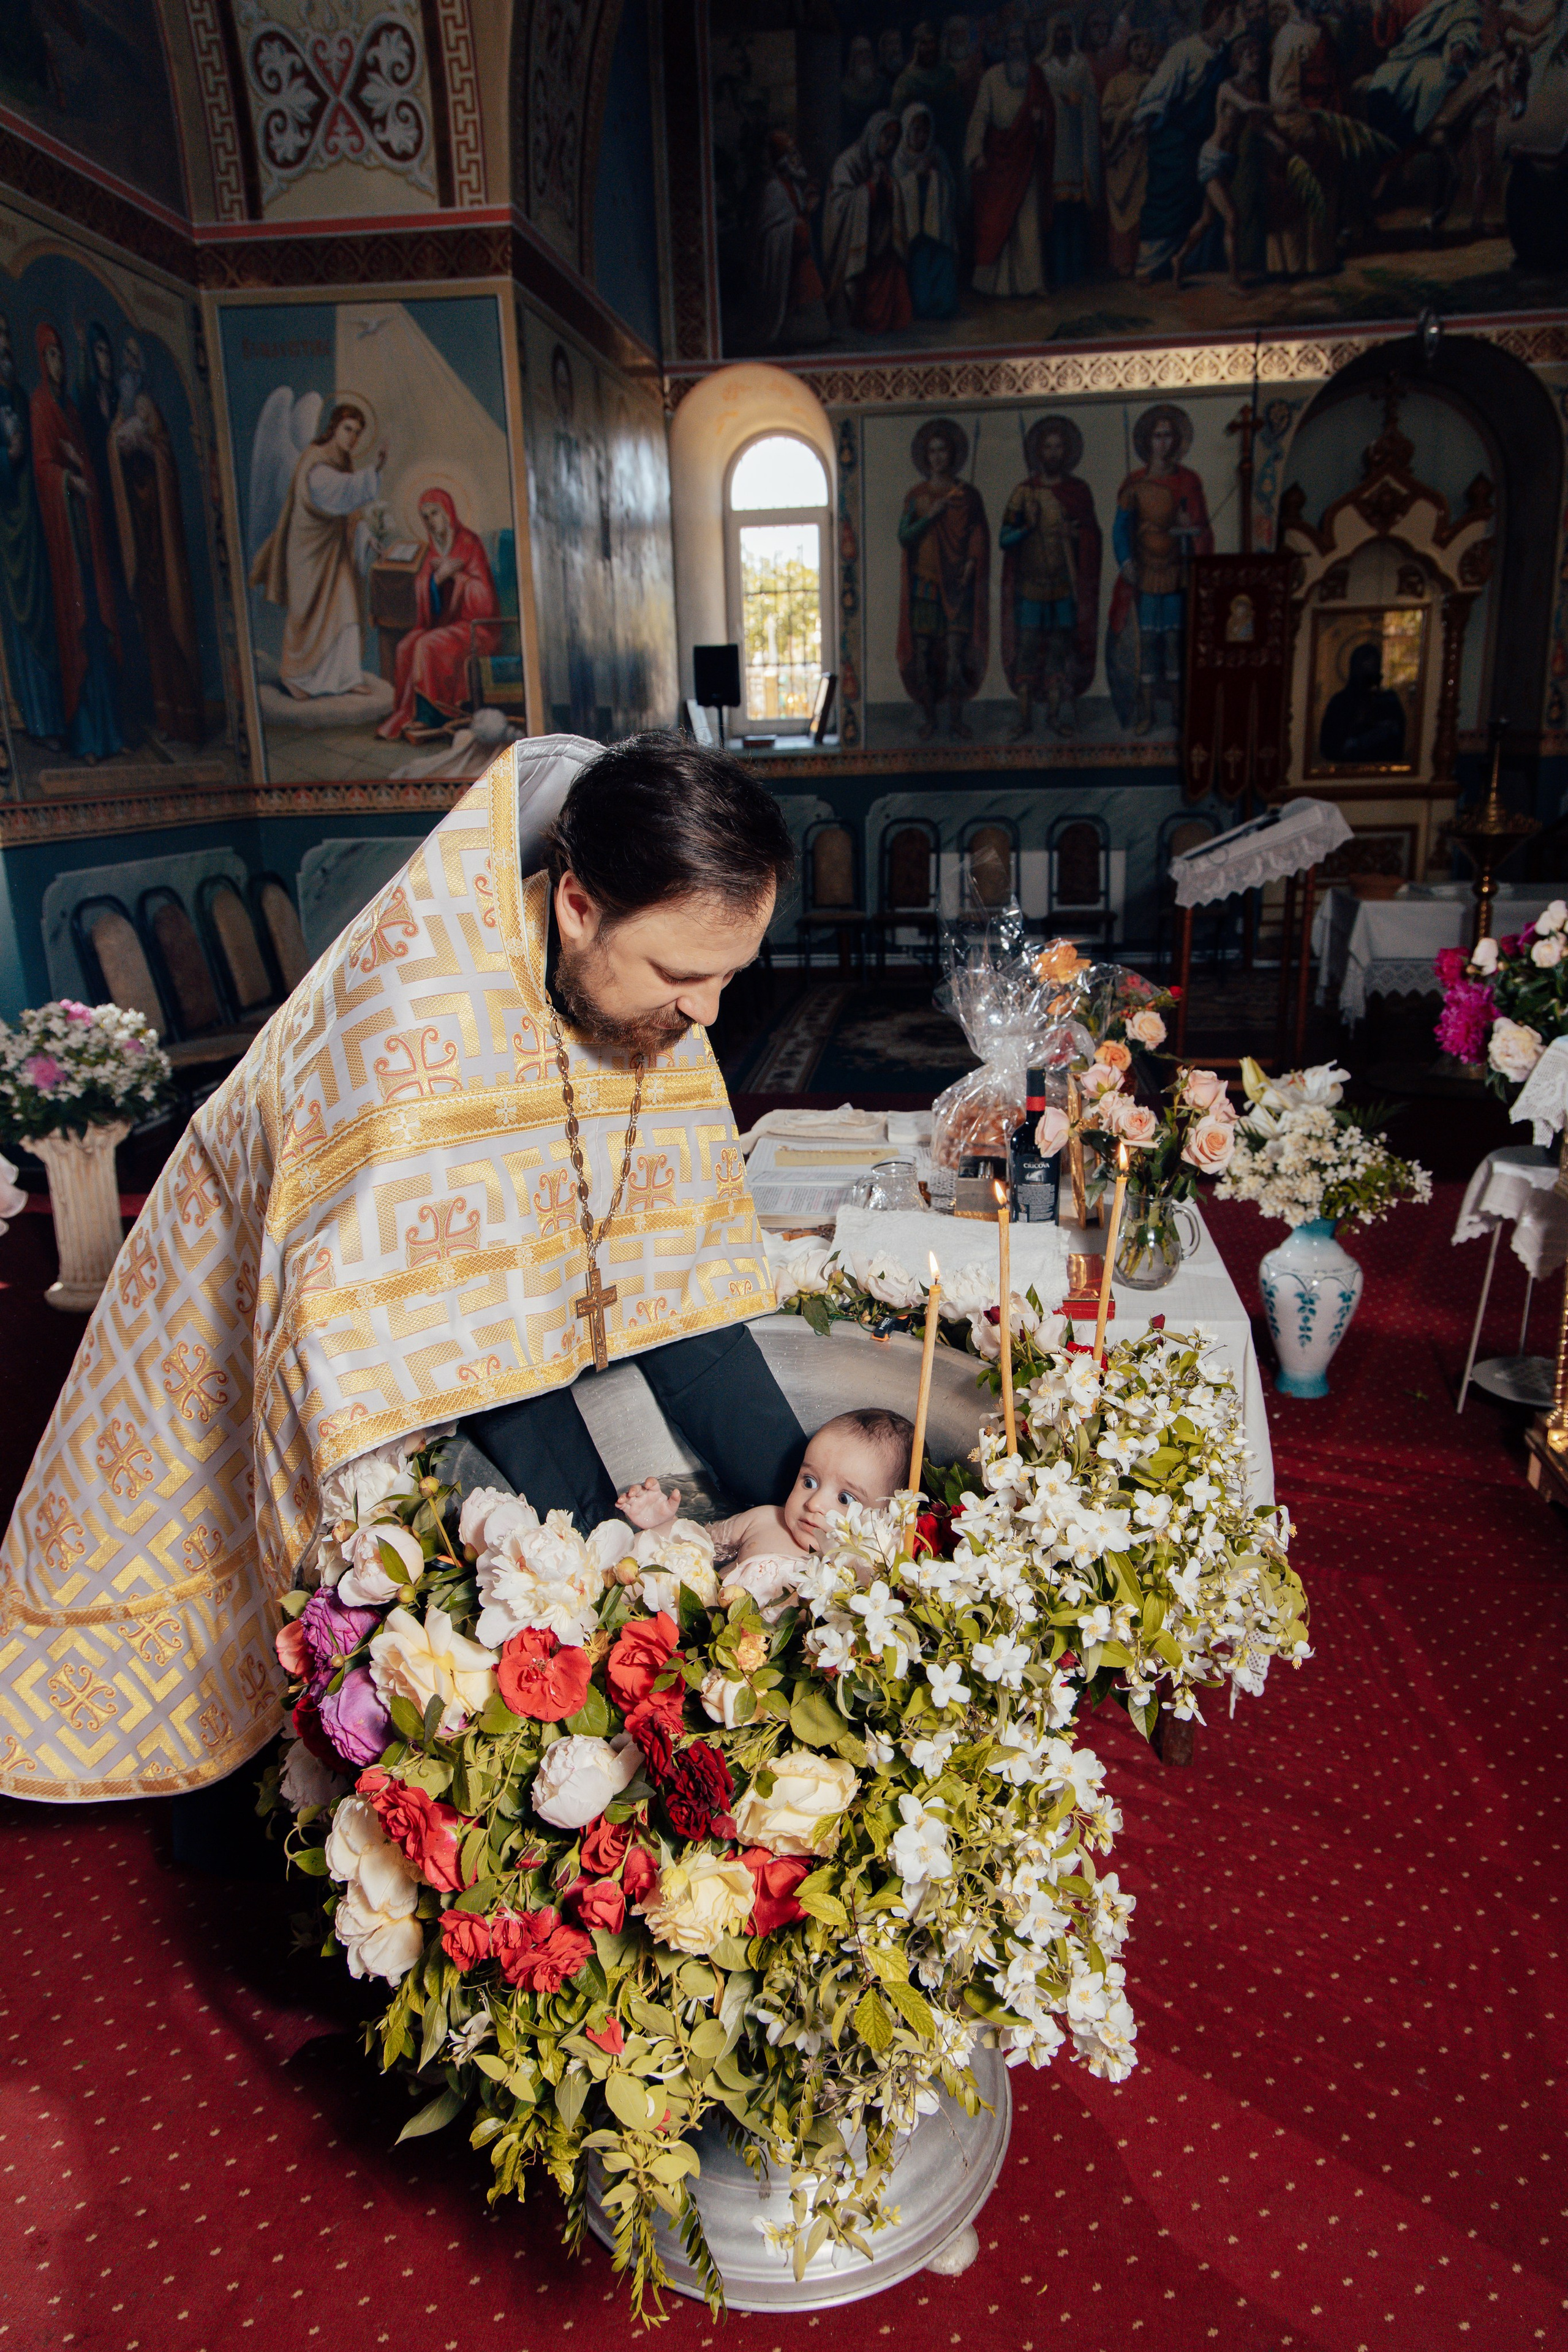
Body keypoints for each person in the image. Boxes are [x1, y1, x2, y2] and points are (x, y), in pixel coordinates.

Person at [0, 732, 799, 1809]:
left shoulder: (648, 996)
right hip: (237, 1266)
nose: (707, 1011)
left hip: (464, 1318)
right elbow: (483, 1357)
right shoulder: (419, 1032)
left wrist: (822, 1513)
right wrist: (623, 1615)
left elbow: (683, 1285)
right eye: (682, 974)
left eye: (728, 977)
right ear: (575, 906)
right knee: (231, 1571)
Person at [617, 1408, 916, 1593]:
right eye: (809, 1482)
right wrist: (661, 1524)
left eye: (844, 1498)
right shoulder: (764, 1521)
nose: (814, 1504)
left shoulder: (863, 1575)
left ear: (886, 1523)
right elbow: (694, 1544)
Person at [247, 397, 386, 699]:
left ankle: (346, 677)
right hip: (308, 551)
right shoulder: (317, 458)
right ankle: (297, 676)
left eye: (357, 433)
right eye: (348, 429)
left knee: (348, 606)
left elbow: (348, 511)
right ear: (335, 427)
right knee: (307, 615)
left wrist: (365, 534)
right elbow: (332, 495)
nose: (352, 438)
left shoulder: (342, 461)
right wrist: (372, 474)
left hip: (334, 551)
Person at [29, 318, 123, 761]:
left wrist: (79, 465)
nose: (58, 362)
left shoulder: (68, 405)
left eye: (61, 355)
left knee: (100, 639)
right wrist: (69, 478)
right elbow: (43, 469)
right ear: (41, 360)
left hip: (87, 542)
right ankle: (88, 741)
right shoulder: (40, 407)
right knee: (80, 639)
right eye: (51, 355)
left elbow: (87, 462)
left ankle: (112, 736)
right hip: (66, 543)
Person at [108, 333, 204, 742]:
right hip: (142, 540)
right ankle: (166, 719)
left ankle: (185, 718)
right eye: (124, 358)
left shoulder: (152, 412)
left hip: (162, 540)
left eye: (135, 358)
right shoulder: (119, 414)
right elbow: (114, 462)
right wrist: (121, 449)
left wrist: (147, 446)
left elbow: (166, 460)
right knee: (152, 631)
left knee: (173, 624)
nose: (129, 366)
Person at [1106, 402, 1212, 734]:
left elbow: (1202, 528)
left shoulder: (1189, 481)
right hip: (1145, 575)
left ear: (1176, 440)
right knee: (1148, 643)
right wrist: (1125, 562)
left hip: (1177, 575)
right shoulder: (1135, 482)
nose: (1163, 443)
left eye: (1168, 436)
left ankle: (1179, 712)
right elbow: (1120, 529)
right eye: (1157, 436)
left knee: (1175, 642)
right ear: (1148, 441)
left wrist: (1190, 532)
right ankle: (1147, 712)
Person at [999, 414, 1102, 739]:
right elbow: (1004, 539)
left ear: (1067, 452)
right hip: (1031, 588)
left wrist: (1076, 534)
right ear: (1038, 452)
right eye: (1048, 447)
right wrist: (1027, 528)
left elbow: (1092, 536)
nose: (1053, 453)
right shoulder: (1023, 493)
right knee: (1028, 650)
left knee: (1059, 651)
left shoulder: (1078, 491)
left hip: (1063, 587)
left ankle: (1055, 718)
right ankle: (1025, 719)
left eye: (1059, 447)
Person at [376, 486, 500, 742]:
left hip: (477, 628)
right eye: (425, 517)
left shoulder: (469, 543)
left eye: (435, 513)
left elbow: (485, 599)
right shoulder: (434, 549)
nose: (431, 521)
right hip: (446, 626)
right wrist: (436, 580)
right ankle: (408, 713)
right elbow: (424, 591)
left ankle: (431, 716)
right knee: (405, 646)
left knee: (427, 644)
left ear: (448, 513)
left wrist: (458, 576)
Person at [895, 417, 990, 739]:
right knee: (924, 658)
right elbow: (904, 536)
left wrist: (972, 561)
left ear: (952, 455)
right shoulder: (916, 496)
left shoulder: (968, 495)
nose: (938, 457)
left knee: (954, 658)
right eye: (932, 451)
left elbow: (978, 532)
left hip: (957, 584)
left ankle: (956, 719)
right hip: (925, 583)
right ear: (926, 456)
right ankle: (931, 720)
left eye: (943, 450)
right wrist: (931, 516)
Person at [1132, 0, 1239, 281]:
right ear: (1214, 15)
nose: (1233, 19)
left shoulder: (1225, 53)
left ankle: (1192, 261)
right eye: (1229, 13)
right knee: (1169, 200)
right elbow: (1157, 95)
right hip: (1175, 143)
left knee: (1200, 202)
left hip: (1203, 142)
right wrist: (1145, 122)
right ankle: (1151, 265)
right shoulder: (1185, 51)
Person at [0, 307, 64, 746]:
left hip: (36, 528)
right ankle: (38, 723)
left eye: (6, 333)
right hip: (8, 533)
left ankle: (57, 720)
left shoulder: (22, 396)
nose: (3, 343)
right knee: (22, 625)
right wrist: (10, 458)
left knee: (48, 617)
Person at [1170, 32, 1276, 288]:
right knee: (1232, 217)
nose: (1255, 60)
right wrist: (1279, 107)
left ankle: (1179, 258)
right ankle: (1234, 280)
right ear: (1238, 59)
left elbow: (1257, 126)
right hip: (1212, 158)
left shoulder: (1255, 89)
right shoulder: (1227, 88)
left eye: (1258, 56)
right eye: (1249, 56)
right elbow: (1249, 108)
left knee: (1207, 221)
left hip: (1230, 161)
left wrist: (1277, 142)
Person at [965, 23, 1051, 298]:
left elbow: (1048, 117)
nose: (1016, 45)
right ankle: (992, 286)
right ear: (1006, 46)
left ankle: (1031, 284)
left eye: (1020, 40)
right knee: (996, 221)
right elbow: (980, 116)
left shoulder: (1036, 77)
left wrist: (1041, 123)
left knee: (1027, 223)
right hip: (997, 162)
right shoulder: (991, 78)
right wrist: (976, 153)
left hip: (1025, 159)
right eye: (1011, 40)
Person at [823, 110, 913, 333]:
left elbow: (892, 196)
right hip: (853, 241)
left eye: (894, 139)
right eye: (887, 137)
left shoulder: (883, 161)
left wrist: (891, 187)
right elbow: (839, 205)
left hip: (878, 236)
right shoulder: (847, 162)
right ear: (874, 134)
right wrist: (871, 189)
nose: (890, 144)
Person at [748, 129, 830, 349]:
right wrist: (795, 226)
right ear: (783, 160)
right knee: (807, 327)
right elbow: (771, 232)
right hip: (788, 265)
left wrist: (807, 211)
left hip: (801, 264)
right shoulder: (774, 189)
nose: (798, 159)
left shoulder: (793, 186)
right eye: (793, 154)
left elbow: (798, 219)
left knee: (818, 323)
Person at [1039, 13, 1103, 285]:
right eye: (1059, 30)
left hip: (1078, 148)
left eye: (1068, 29)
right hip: (1054, 150)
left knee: (1078, 215)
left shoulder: (1081, 65)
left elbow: (1093, 99)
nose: (1064, 35)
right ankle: (1059, 273)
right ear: (1051, 35)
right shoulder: (1042, 67)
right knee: (1057, 214)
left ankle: (1077, 273)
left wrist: (1083, 101)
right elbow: (1038, 101)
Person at [892, 101, 961, 317]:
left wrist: (935, 177)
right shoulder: (899, 159)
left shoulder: (937, 155)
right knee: (919, 269)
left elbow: (950, 187)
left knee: (941, 264)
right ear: (907, 130)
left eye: (925, 130)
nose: (921, 135)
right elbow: (895, 192)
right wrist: (915, 177)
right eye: (916, 130)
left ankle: (943, 308)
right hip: (913, 234)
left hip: (938, 231)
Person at [1101, 28, 1158, 276]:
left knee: (1143, 206)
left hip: (1146, 153)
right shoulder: (1116, 82)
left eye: (1145, 46)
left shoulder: (1156, 80)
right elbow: (1106, 114)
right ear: (1128, 50)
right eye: (1136, 46)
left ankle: (1143, 263)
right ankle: (1122, 263)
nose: (1140, 51)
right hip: (1122, 154)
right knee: (1121, 210)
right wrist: (1126, 112)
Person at [1319, 639, 1406, 764]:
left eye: (1376, 665)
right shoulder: (1341, 701)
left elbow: (1396, 740)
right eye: (1367, 663)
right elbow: (1330, 745)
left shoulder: (1389, 699)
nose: (1373, 669)